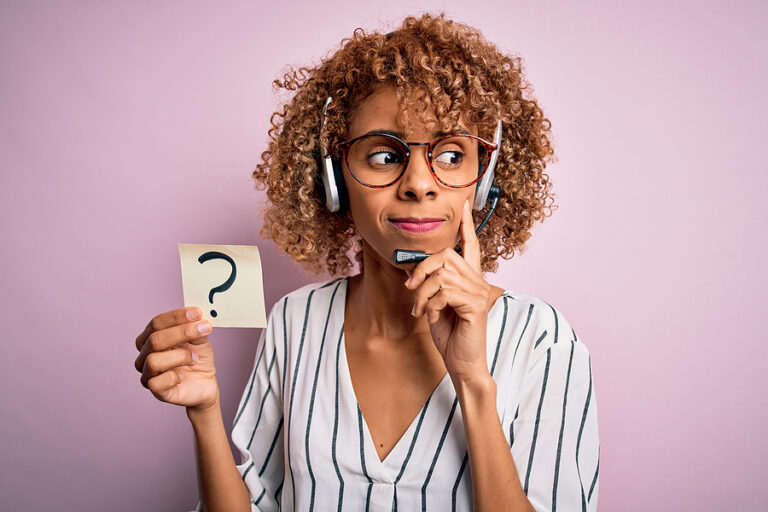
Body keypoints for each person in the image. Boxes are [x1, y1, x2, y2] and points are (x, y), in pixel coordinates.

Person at [134, 13, 599, 512]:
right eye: (383, 156)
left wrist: (473, 381)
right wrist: (206, 414)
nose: (419, 183)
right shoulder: (295, 322)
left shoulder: (542, 340)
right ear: (335, 180)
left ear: (483, 182)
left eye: (449, 155)